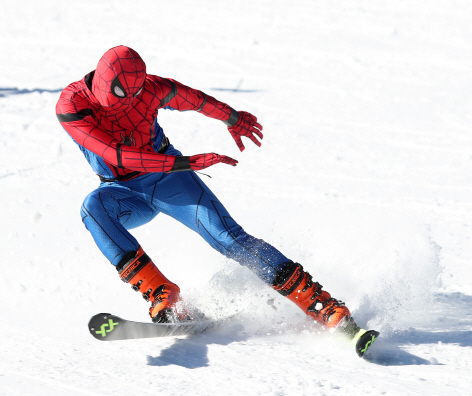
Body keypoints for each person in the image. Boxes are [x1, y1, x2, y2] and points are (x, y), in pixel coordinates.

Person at [55, 46, 377, 351]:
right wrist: (186, 163)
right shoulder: (72, 105)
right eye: (125, 93)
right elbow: (116, 154)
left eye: (138, 91)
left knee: (229, 239)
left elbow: (192, 99)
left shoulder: (149, 89)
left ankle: (324, 306)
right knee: (93, 209)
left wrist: (232, 118)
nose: (133, 99)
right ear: (101, 82)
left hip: (168, 180)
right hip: (123, 190)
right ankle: (162, 294)